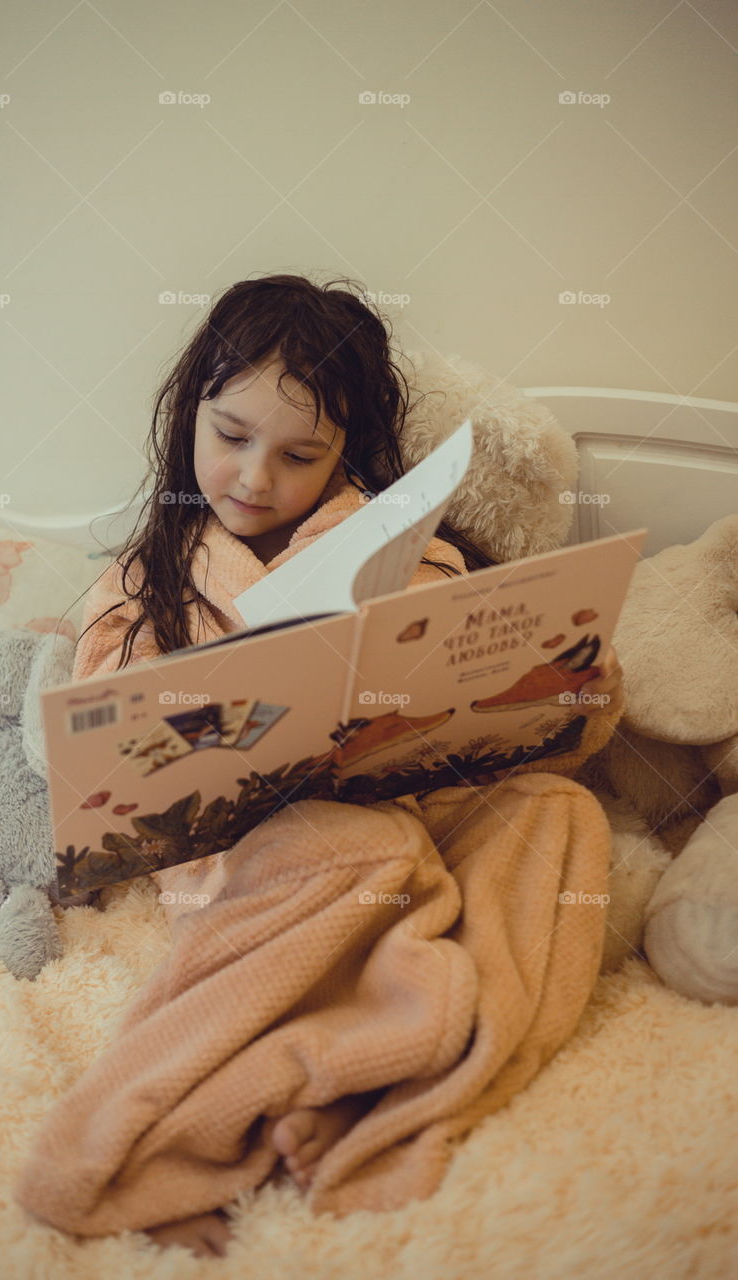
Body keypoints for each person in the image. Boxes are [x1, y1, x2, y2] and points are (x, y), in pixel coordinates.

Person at [68, 273, 623, 1257]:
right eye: (230, 436)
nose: (252, 476)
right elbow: (108, 744)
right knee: (347, 844)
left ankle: (399, 1097)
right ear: (187, 411)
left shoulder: (423, 561)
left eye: (299, 455)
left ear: (348, 452)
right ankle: (158, 1136)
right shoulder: (140, 580)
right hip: (258, 862)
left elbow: (519, 713)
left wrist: (565, 677)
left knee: (556, 815)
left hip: (422, 825)